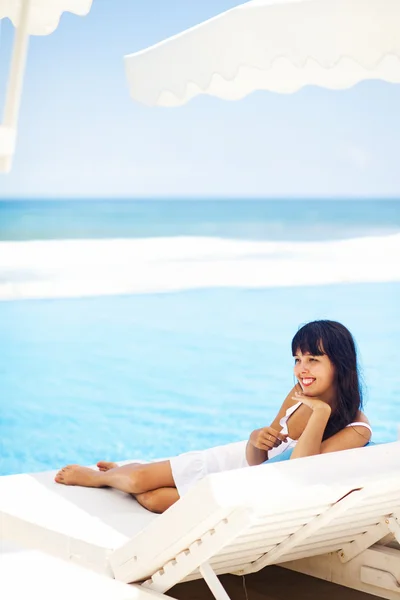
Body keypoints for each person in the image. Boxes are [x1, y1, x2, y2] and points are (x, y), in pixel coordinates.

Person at [55, 320, 372, 513]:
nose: (302, 369)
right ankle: (103, 477)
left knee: (153, 499)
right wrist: (254, 439)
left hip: (251, 487)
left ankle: (126, 472)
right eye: (297, 359)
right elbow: (258, 458)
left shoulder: (356, 429)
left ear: (340, 364)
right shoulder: (296, 394)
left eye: (313, 359)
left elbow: (297, 473)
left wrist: (321, 412)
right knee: (137, 481)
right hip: (236, 463)